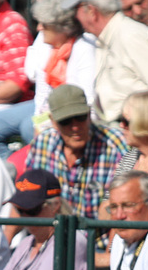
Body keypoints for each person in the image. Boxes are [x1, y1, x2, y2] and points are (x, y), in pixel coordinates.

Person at [0, 0, 96, 158]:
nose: (39, 28)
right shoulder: (45, 46)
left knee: (28, 128)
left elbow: (88, 100)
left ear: (62, 28)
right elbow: (39, 89)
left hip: (70, 112)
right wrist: (39, 120)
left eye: (45, 25)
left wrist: (44, 123)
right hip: (44, 106)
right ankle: (13, 172)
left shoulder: (84, 49)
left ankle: (47, 174)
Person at [65, 0, 148, 126]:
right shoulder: (107, 39)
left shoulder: (130, 35)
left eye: (75, 10)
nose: (75, 17)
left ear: (91, 11)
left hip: (144, 132)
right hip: (126, 133)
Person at [22, 85, 128, 227]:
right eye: (66, 121)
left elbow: (122, 212)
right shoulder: (42, 144)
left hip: (97, 242)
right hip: (53, 238)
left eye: (80, 117)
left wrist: (109, 249)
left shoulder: (116, 145)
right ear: (53, 121)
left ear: (89, 114)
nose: (75, 127)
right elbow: (25, 198)